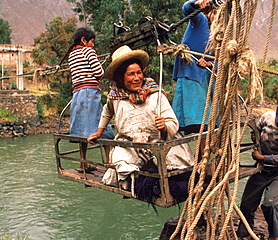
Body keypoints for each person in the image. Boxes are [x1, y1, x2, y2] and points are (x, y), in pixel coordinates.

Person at [87, 45, 194, 191]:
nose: (136, 78)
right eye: (130, 74)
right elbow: (107, 112)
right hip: (130, 144)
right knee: (121, 165)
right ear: (121, 77)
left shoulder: (155, 94)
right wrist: (99, 132)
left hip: (159, 142)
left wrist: (164, 127)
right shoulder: (115, 96)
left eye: (138, 73)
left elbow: (172, 122)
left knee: (177, 170)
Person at [236, 99, 278, 240]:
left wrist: (262, 157)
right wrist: (255, 136)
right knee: (247, 204)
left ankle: (274, 236)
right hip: (260, 170)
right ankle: (244, 234)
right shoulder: (267, 117)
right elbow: (257, 129)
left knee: (270, 204)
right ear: (277, 115)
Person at [58, 27, 115, 173]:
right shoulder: (88, 51)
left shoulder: (71, 55)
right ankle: (109, 162)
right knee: (102, 125)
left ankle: (82, 163)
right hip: (90, 93)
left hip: (77, 94)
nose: (93, 45)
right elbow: (99, 72)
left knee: (81, 129)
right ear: (84, 40)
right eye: (92, 42)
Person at [172, 0, 217, 157]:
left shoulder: (218, 34)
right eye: (216, 13)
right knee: (201, 124)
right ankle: (199, 161)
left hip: (205, 80)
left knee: (208, 124)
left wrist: (210, 64)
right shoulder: (200, 20)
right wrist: (198, 3)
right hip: (191, 76)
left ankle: (204, 158)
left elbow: (221, 60)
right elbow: (187, 9)